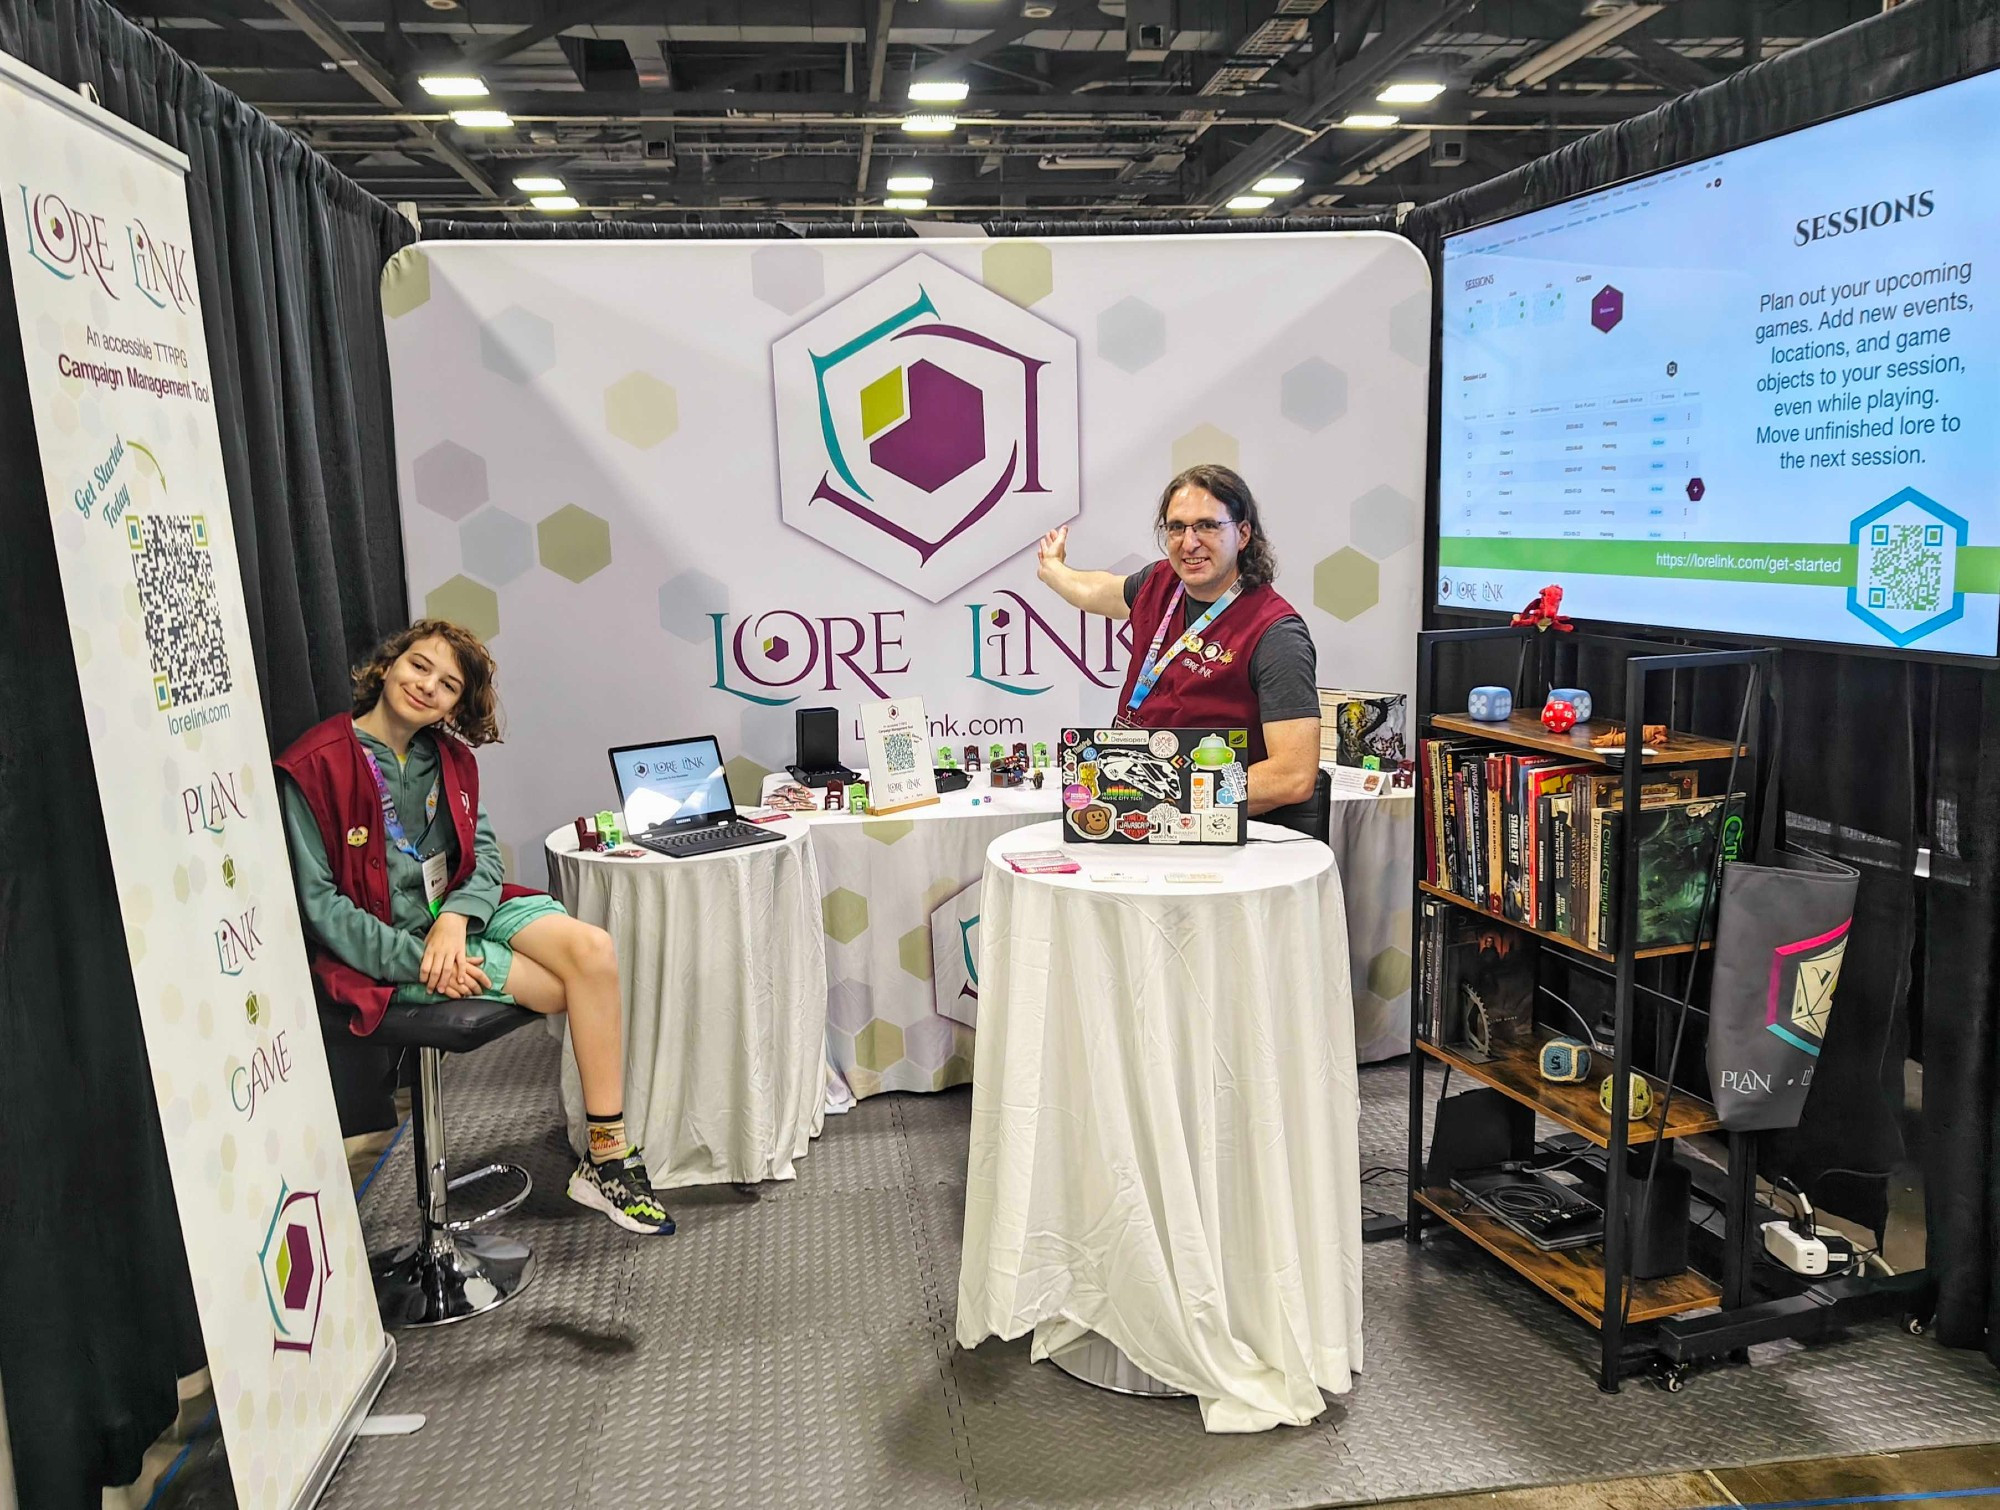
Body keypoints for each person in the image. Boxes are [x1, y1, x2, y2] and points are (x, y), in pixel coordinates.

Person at [275, 619, 674, 1235]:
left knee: (592, 952)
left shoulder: (450, 756)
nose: (427, 686)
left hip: (464, 909)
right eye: (419, 666)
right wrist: (421, 955)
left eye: (449, 684)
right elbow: (321, 906)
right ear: (388, 665)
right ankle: (604, 1160)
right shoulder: (315, 763)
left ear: (459, 705)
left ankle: (608, 1156)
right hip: (395, 944)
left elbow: (483, 857)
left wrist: (457, 920)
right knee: (567, 989)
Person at [1035, 463, 1321, 815]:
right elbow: (1098, 591)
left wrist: (1180, 793)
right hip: (1133, 807)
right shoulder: (1159, 583)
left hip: (1216, 830)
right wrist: (1053, 569)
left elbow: (1292, 776)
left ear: (1243, 534)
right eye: (1177, 528)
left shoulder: (1275, 633)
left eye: (1207, 526)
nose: (1190, 543)